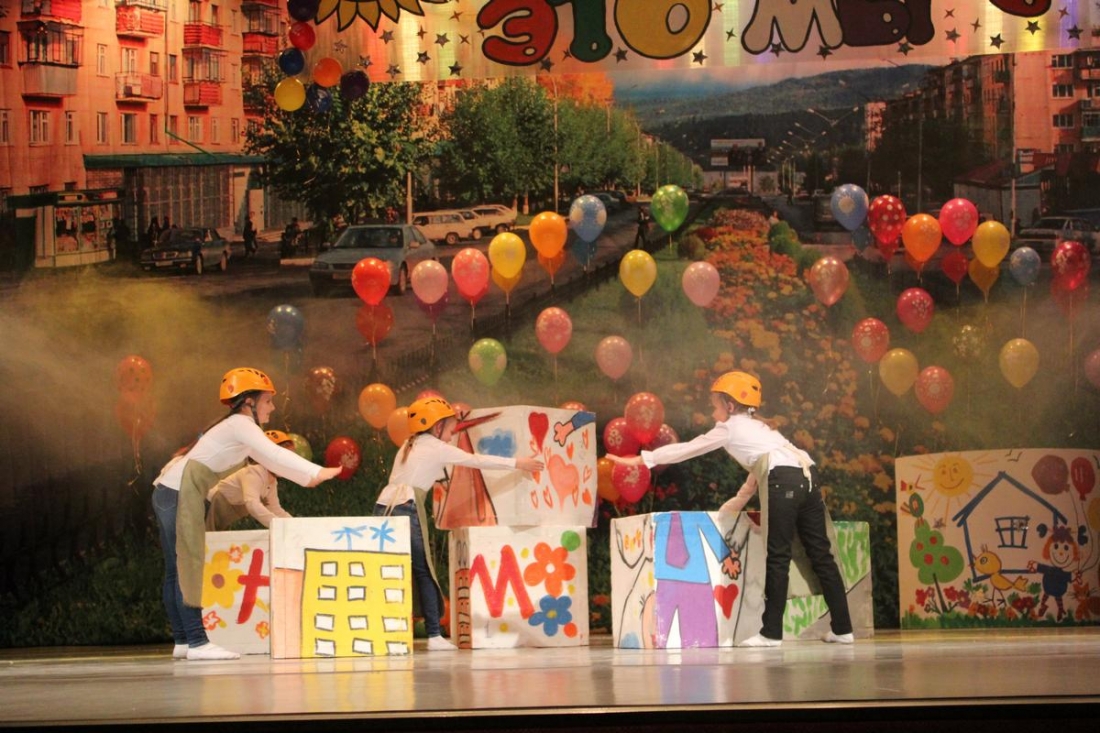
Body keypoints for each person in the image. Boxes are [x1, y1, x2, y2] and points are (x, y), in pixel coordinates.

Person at [607, 371, 853, 648]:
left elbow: (689, 449)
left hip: (783, 481)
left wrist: (642, 459)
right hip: (807, 479)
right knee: (821, 555)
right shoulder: (762, 428)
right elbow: (760, 471)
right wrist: (736, 502)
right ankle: (843, 629)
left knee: (778, 556)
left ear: (731, 405)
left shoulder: (730, 428)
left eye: (716, 406)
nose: (713, 412)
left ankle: (771, 634)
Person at [151, 368, 342, 661]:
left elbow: (271, 460)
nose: (272, 408)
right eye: (268, 401)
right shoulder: (241, 424)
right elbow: (275, 453)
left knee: (176, 569)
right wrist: (316, 471)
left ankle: (183, 641)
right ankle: (198, 642)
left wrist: (309, 478)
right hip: (179, 493)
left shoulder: (236, 428)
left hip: (169, 491)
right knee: (188, 564)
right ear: (249, 402)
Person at [374, 396, 544, 651]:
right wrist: (518, 463)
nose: (453, 433)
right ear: (437, 426)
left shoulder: (409, 445)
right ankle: (434, 635)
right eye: (450, 428)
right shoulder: (435, 447)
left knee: (388, 568)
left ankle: (385, 631)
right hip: (406, 506)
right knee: (423, 570)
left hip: (383, 506)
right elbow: (476, 460)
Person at [204, 430, 296, 530]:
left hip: (224, 513)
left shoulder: (271, 481)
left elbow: (275, 509)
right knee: (204, 537)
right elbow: (253, 505)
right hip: (210, 506)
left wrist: (296, 524)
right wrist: (278, 526)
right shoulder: (254, 473)